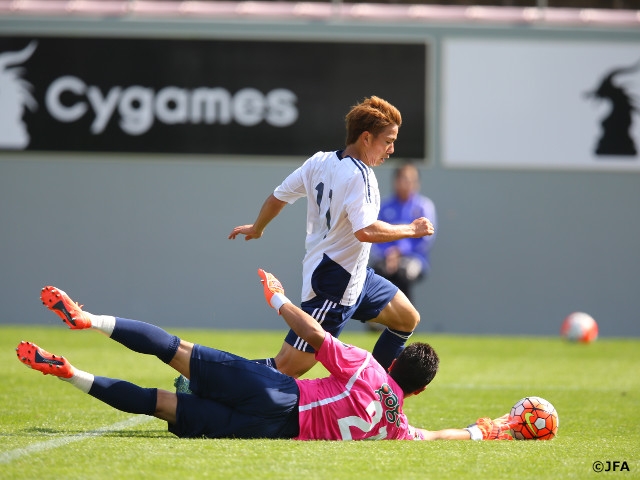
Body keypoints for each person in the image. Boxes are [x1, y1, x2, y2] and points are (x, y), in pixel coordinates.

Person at [16, 269, 515, 441]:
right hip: (275, 431)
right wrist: (485, 431)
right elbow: (436, 436)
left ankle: (89, 321)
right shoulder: (396, 427)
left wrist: (278, 297)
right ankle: (73, 375)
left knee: (175, 351)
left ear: (395, 365)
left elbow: (315, 334)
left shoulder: (366, 367)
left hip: (277, 390)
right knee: (158, 404)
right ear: (419, 389)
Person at [228, 96, 434, 378]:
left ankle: (375, 392)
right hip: (333, 285)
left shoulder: (319, 161)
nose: (391, 149)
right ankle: (208, 376)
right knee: (285, 369)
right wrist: (412, 229)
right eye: (387, 140)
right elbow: (366, 231)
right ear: (365, 138)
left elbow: (278, 198)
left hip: (357, 277)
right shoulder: (362, 176)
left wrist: (258, 227)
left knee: (407, 318)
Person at [370, 162, 437, 303]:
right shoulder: (384, 206)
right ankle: (375, 322)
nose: (408, 183)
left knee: (403, 274)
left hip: (415, 258)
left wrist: (400, 251)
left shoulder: (424, 206)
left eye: (412, 179)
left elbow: (426, 239)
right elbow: (374, 234)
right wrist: (388, 253)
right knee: (377, 274)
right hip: (385, 258)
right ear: (395, 181)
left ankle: (404, 322)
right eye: (404, 178)